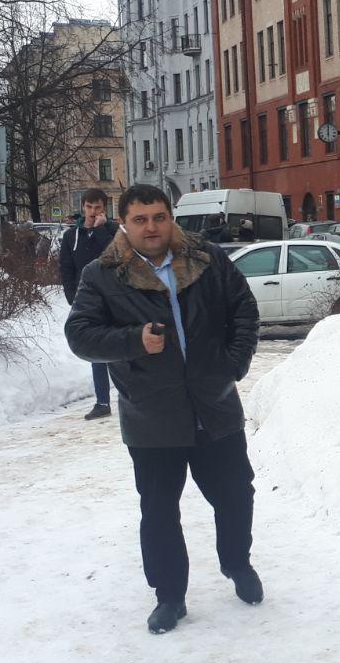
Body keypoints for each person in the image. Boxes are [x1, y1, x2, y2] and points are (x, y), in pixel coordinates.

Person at [65, 184, 263, 635]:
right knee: (159, 511)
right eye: (140, 219)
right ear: (124, 224)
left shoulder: (207, 259)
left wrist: (233, 364)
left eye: (158, 217)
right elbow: (80, 335)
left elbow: (244, 311)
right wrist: (133, 341)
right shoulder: (102, 274)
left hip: (214, 406)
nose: (151, 227)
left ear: (170, 217)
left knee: (236, 494)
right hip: (151, 414)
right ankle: (170, 597)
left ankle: (237, 564)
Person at [59, 189, 121, 422]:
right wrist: (72, 298)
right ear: (83, 207)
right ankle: (102, 402)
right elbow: (66, 269)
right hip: (86, 302)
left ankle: (132, 394)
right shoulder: (71, 236)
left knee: (121, 347)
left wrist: (101, 230)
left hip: (114, 299)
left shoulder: (113, 231)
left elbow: (115, 257)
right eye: (89, 207)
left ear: (105, 209)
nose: (93, 212)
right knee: (96, 350)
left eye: (98, 208)